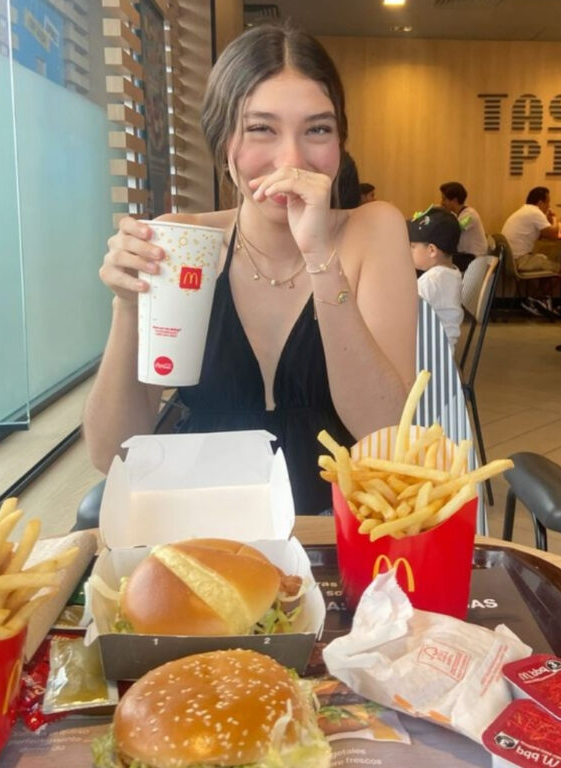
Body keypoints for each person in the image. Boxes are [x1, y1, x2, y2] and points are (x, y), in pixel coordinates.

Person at [84, 23, 418, 516]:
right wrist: (127, 305)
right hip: (198, 519)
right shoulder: (183, 242)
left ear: (340, 143)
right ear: (223, 143)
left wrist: (321, 260)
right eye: (261, 128)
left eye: (317, 129)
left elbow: (385, 430)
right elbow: (111, 450)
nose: (292, 158)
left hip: (337, 525)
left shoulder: (375, 229)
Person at [501, 186, 561, 316]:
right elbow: (554, 234)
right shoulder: (535, 212)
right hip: (521, 261)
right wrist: (556, 219)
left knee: (544, 260)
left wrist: (547, 220)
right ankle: (538, 300)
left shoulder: (525, 211)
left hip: (510, 260)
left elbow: (541, 234)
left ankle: (538, 301)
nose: (548, 206)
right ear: (540, 203)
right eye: (548, 203)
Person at [408, 207, 463, 349]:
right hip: (442, 349)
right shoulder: (451, 272)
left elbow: (403, 314)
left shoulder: (431, 280)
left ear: (432, 250)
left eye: (412, 246)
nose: (408, 251)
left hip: (430, 356)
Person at [439, 181, 488, 268]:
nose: (441, 203)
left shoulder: (469, 216)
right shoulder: (456, 214)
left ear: (454, 201)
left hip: (474, 260)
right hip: (465, 256)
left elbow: (453, 231)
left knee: (438, 259)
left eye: (444, 199)